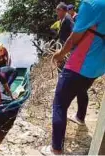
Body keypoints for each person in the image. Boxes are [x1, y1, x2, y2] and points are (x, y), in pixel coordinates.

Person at [41, 0, 105, 155]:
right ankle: (80, 117)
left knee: (59, 105)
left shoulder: (91, 4)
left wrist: (60, 55)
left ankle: (56, 149)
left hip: (80, 64)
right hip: (98, 67)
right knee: (81, 89)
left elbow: (73, 39)